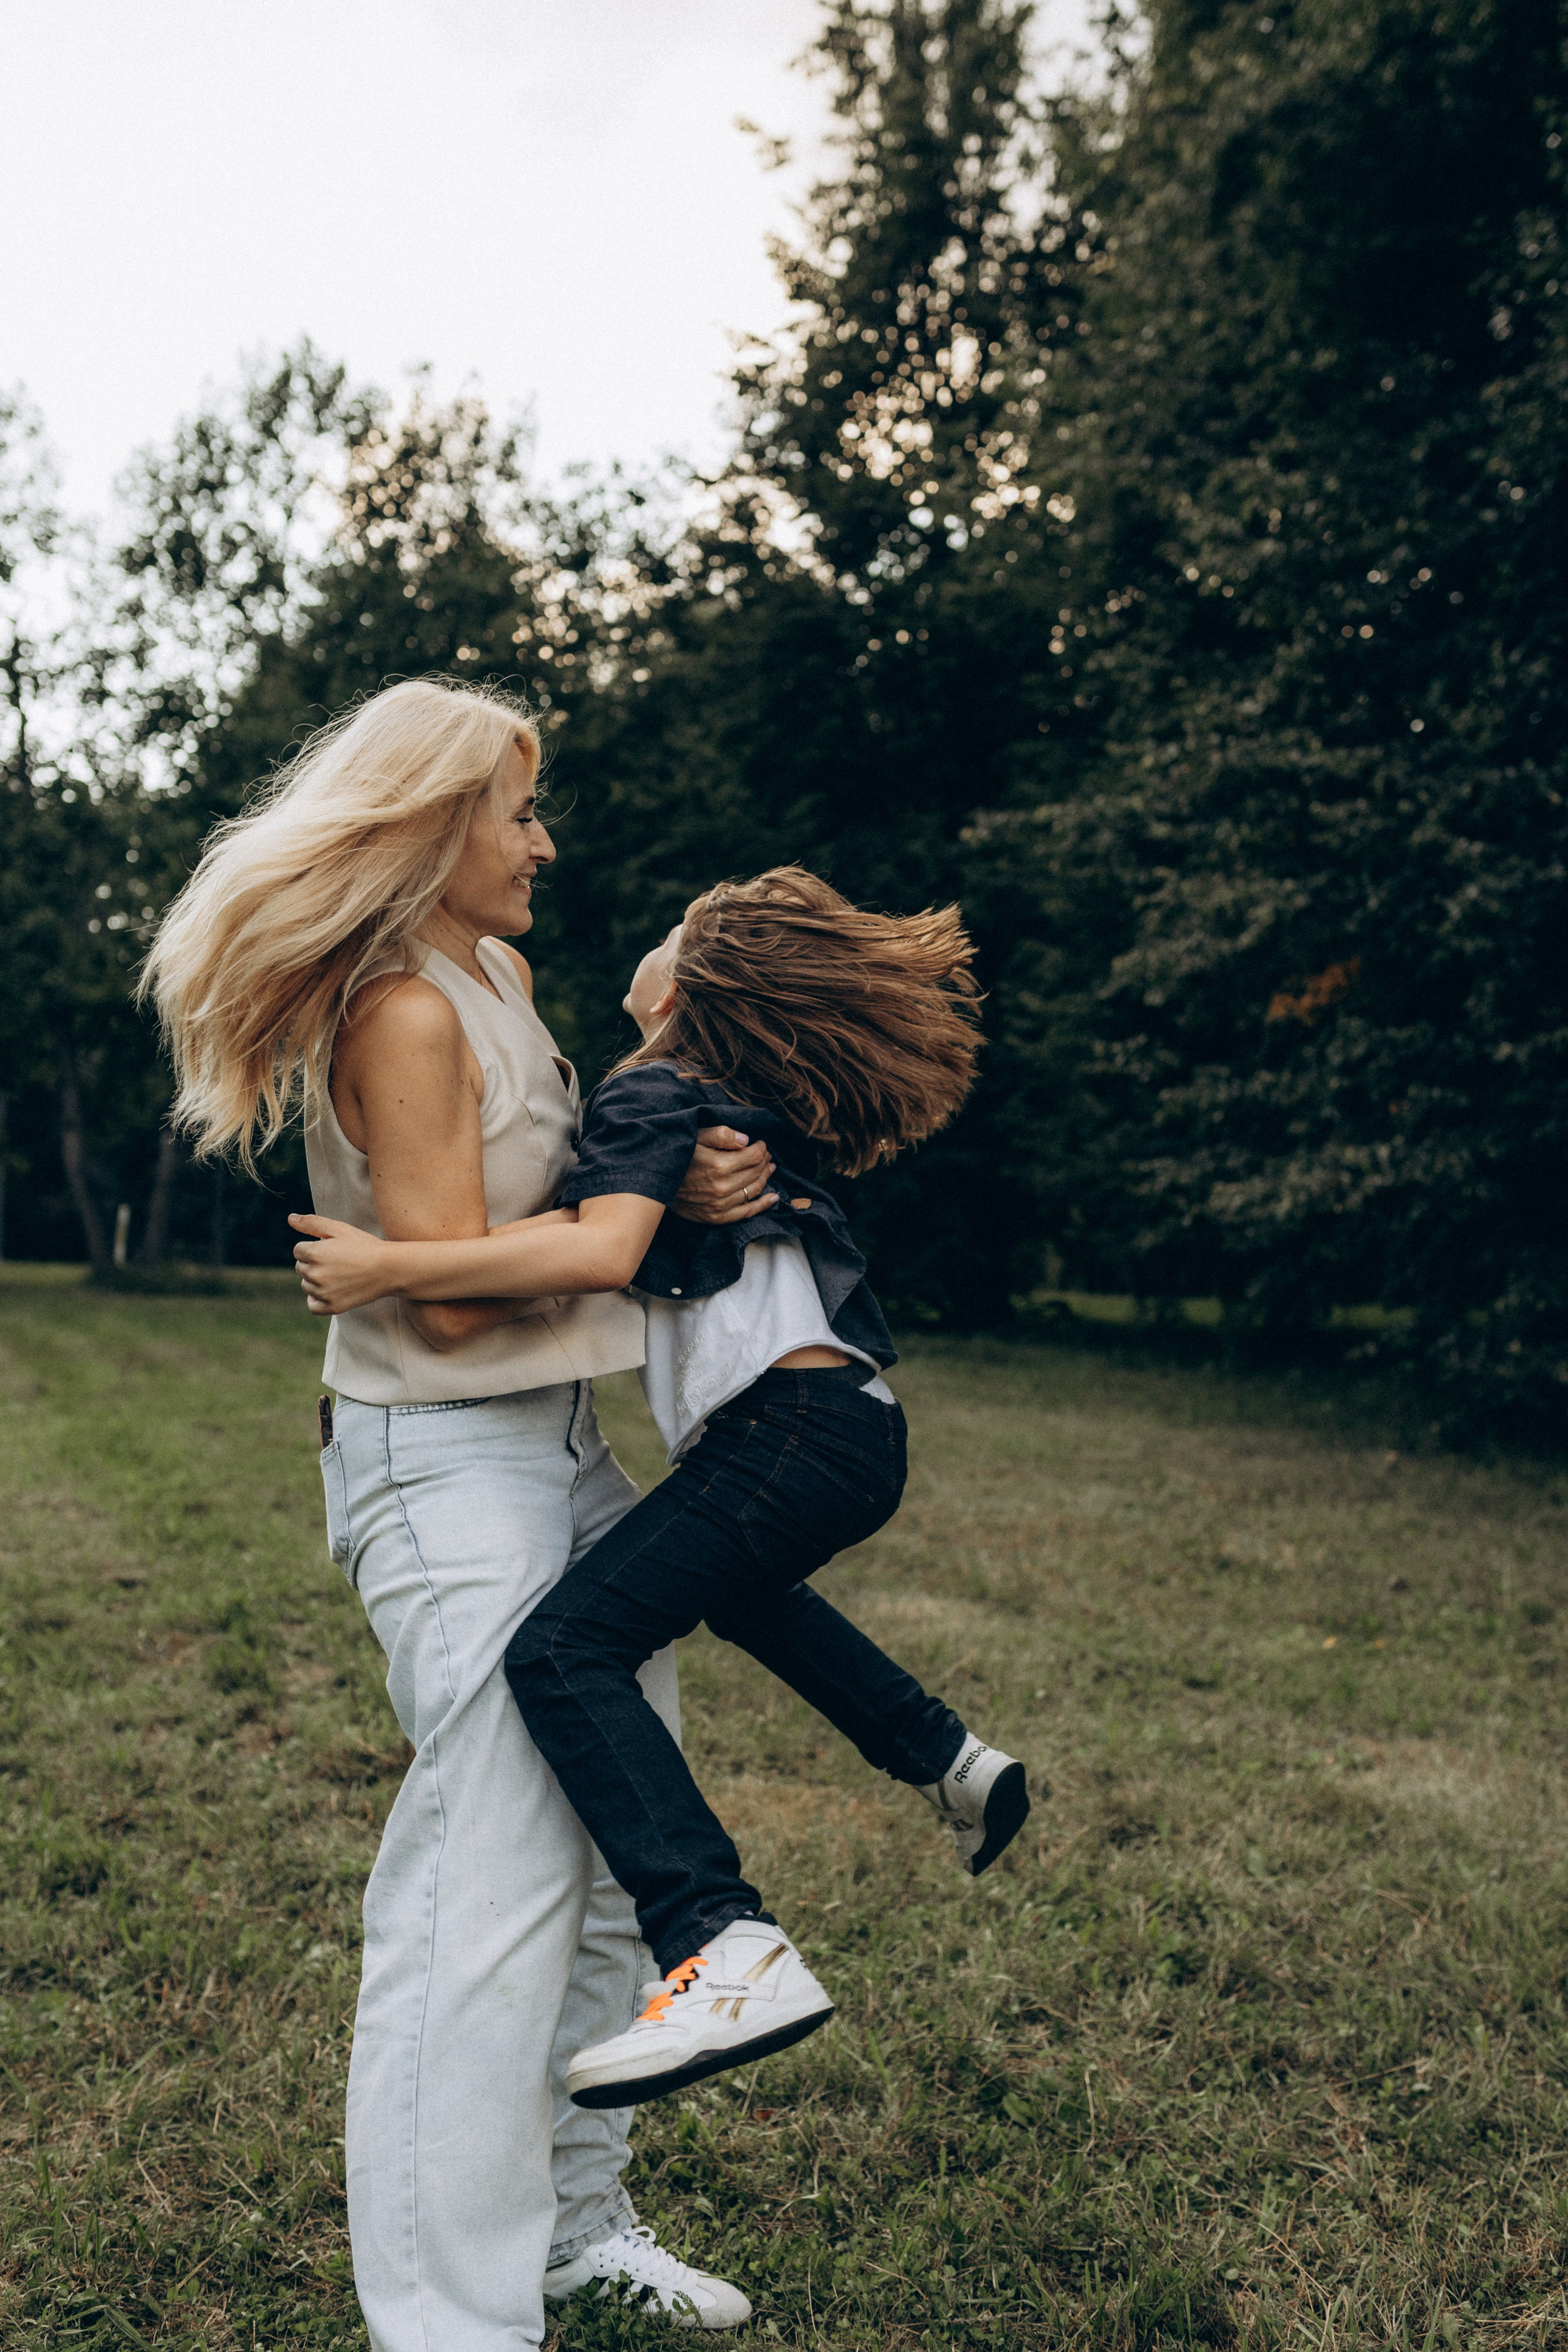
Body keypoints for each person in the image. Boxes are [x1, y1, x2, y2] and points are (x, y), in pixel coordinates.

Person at [143, 679, 772, 2348]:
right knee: (485, 1883)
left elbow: (541, 1208)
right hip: (445, 1462)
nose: (542, 843)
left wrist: (670, 1191)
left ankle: (573, 2227)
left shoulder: (492, 976)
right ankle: (447, 2321)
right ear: (433, 828)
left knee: (626, 1854)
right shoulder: (405, 1013)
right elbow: (440, 1298)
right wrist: (630, 1229)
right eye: (517, 810)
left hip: (552, 1441)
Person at [290, 865, 1033, 2116]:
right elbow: (623, 1228)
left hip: (785, 1433)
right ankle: (944, 1757)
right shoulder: (719, 1106)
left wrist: (387, 1266)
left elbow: (597, 1248)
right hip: (847, 1428)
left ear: (683, 987)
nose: (650, 936)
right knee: (729, 1590)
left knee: (564, 1649)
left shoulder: (652, 1091)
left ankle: (718, 1942)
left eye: (672, 929)